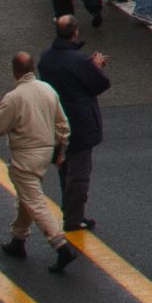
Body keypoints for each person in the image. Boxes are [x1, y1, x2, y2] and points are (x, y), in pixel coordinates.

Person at [0, 50, 82, 273]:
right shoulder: (48, 90)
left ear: (15, 72)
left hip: (25, 156)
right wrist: (60, 151)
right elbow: (63, 125)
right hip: (45, 153)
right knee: (27, 197)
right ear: (33, 68)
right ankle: (18, 239)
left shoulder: (14, 98)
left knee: (35, 201)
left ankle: (60, 246)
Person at [37, 16, 109, 234]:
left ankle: (68, 208)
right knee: (79, 174)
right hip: (80, 123)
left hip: (56, 121)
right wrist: (96, 66)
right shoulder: (79, 61)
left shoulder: (45, 58)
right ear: (75, 32)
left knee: (64, 168)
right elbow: (100, 83)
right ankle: (74, 218)